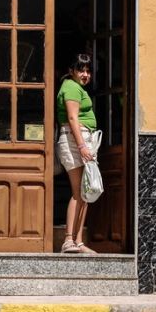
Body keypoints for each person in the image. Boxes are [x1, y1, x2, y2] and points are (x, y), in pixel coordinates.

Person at [55, 53, 99, 254]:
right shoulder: (71, 87)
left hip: (82, 140)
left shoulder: (77, 87)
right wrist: (81, 146)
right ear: (71, 71)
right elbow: (72, 118)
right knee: (78, 191)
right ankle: (68, 240)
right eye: (81, 70)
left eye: (88, 70)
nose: (85, 74)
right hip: (75, 141)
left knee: (86, 191)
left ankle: (79, 242)